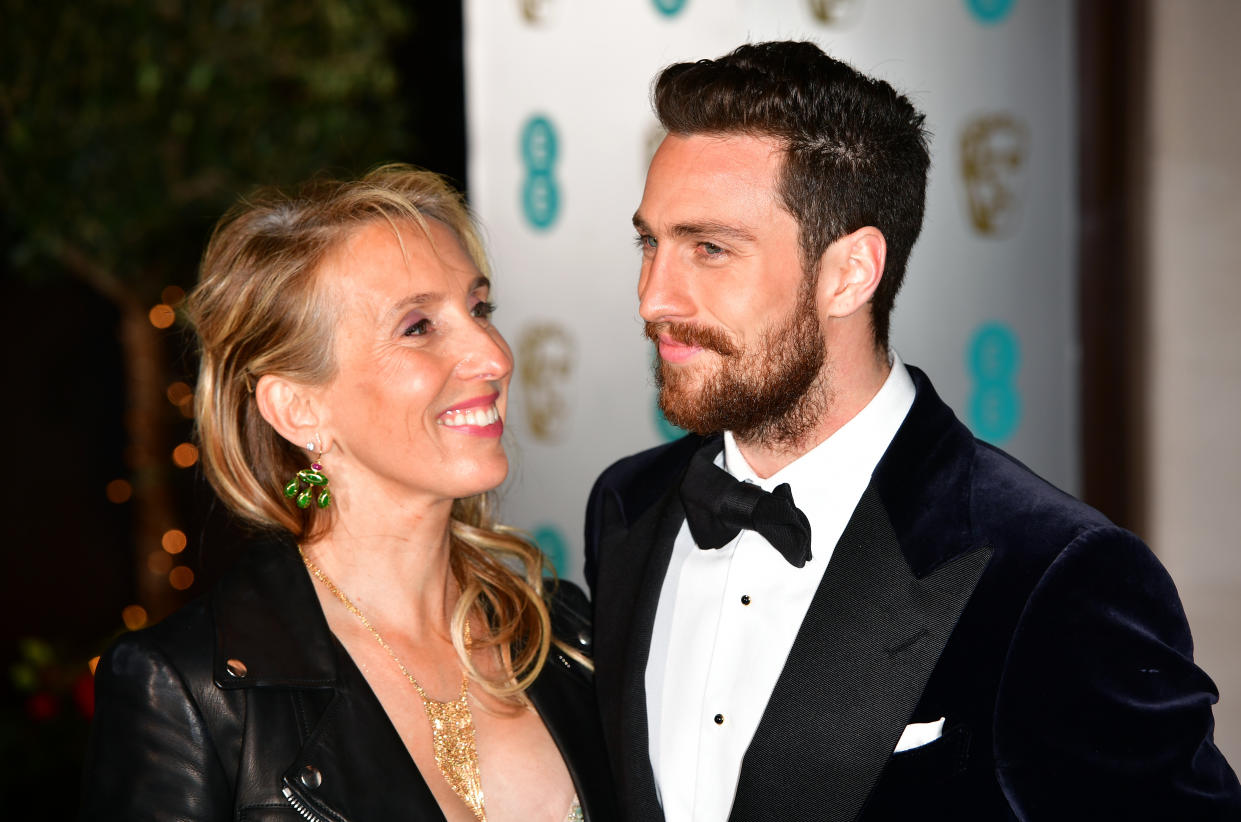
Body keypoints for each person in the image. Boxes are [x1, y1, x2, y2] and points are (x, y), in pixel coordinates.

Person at [584, 41, 1241, 821]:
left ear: (850, 272)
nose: (652, 296)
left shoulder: (1057, 574)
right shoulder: (627, 508)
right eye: (649, 243)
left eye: (709, 249)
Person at [81, 166, 616, 821]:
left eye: (479, 308)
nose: (493, 354)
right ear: (298, 408)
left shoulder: (565, 634)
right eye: (418, 326)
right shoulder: (189, 689)